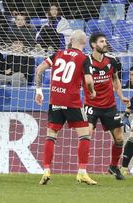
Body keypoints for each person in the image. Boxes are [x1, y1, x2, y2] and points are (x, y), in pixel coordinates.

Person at [34, 30, 97, 185]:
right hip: (72, 101)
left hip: (55, 99)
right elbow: (89, 81)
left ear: (71, 40)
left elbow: (39, 69)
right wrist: (92, 91)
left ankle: (46, 170)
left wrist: (39, 91)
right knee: (84, 135)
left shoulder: (58, 54)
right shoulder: (84, 58)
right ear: (84, 42)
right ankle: (82, 172)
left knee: (51, 135)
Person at [83, 32, 130, 180]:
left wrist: (121, 96)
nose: (105, 43)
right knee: (87, 135)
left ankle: (113, 167)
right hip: (91, 105)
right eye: (102, 41)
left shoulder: (112, 60)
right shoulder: (86, 61)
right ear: (93, 45)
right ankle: (82, 170)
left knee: (120, 139)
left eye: (105, 41)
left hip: (109, 105)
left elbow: (115, 79)